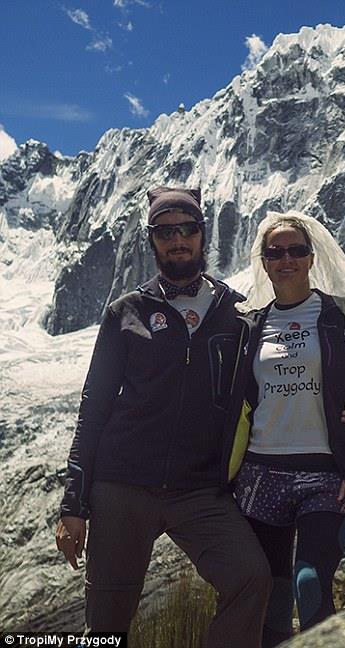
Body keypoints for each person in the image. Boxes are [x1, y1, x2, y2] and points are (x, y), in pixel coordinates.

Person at [55, 186, 274, 648]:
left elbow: (266, 390)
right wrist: (74, 505)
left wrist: (339, 414)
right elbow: (93, 408)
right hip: (122, 488)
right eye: (165, 231)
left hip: (200, 491)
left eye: (187, 229)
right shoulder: (126, 313)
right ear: (151, 240)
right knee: (107, 625)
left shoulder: (238, 314)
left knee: (250, 578)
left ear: (203, 234)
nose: (178, 239)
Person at [227, 210, 345, 647]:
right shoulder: (251, 325)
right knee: (274, 596)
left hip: (326, 476)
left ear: (311, 258)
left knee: (310, 582)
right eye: (276, 252)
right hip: (261, 474)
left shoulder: (343, 315)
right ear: (264, 262)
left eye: (296, 251)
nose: (287, 260)